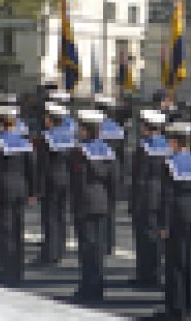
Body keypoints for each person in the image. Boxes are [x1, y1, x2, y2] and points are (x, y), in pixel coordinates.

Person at [159, 120, 191, 321]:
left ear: (175, 142)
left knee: (175, 264)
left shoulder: (170, 164)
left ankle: (175, 309)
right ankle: (190, 305)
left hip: (177, 215)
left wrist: (164, 225)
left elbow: (167, 197)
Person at [71, 108, 116, 303]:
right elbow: (114, 179)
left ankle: (87, 288)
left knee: (87, 249)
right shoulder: (107, 150)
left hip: (86, 203)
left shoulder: (81, 151)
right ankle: (98, 287)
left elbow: (78, 180)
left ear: (86, 130)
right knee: (98, 248)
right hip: (102, 201)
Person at [0, 105, 35, 286]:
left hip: (5, 190)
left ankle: (6, 271)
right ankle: (18, 270)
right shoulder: (25, 142)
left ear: (1, 123)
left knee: (6, 232)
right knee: (18, 230)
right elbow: (32, 167)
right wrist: (32, 192)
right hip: (21, 188)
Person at [130, 108, 169, 288]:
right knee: (158, 235)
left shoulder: (144, 147)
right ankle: (156, 272)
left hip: (146, 195)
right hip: (163, 193)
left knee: (144, 236)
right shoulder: (167, 145)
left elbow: (139, 177)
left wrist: (134, 202)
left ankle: (145, 274)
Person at [36, 101, 74, 266]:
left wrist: (38, 188)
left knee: (50, 217)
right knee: (61, 215)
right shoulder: (70, 137)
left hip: (51, 179)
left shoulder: (46, 138)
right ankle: (60, 249)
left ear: (50, 120)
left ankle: (50, 253)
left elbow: (42, 164)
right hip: (66, 178)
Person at [96, 94, 125, 254]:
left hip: (99, 169)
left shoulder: (96, 127)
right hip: (115, 169)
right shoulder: (117, 128)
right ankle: (110, 242)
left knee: (99, 209)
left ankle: (101, 241)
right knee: (111, 208)